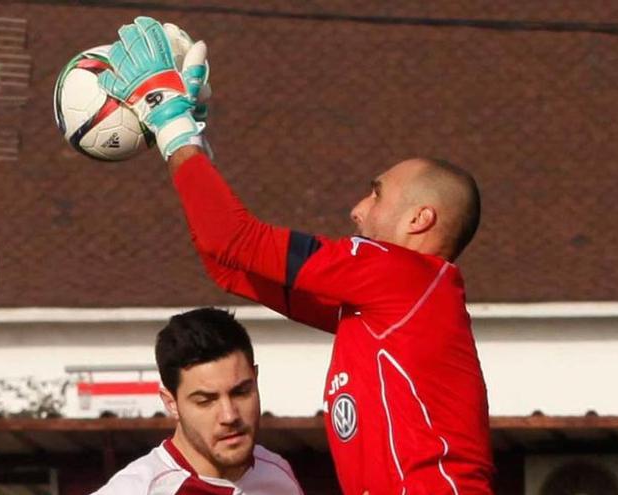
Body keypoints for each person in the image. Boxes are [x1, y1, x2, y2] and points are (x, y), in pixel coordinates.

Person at [98, 17, 495, 494]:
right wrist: (193, 140)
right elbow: (227, 263)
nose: (356, 209)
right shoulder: (390, 308)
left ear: (420, 220)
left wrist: (170, 120)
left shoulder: (399, 274)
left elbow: (233, 239)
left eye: (376, 194)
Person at [93, 308, 304, 495]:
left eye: (241, 392)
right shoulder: (137, 490)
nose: (229, 415)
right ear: (171, 403)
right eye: (206, 401)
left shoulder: (278, 476)